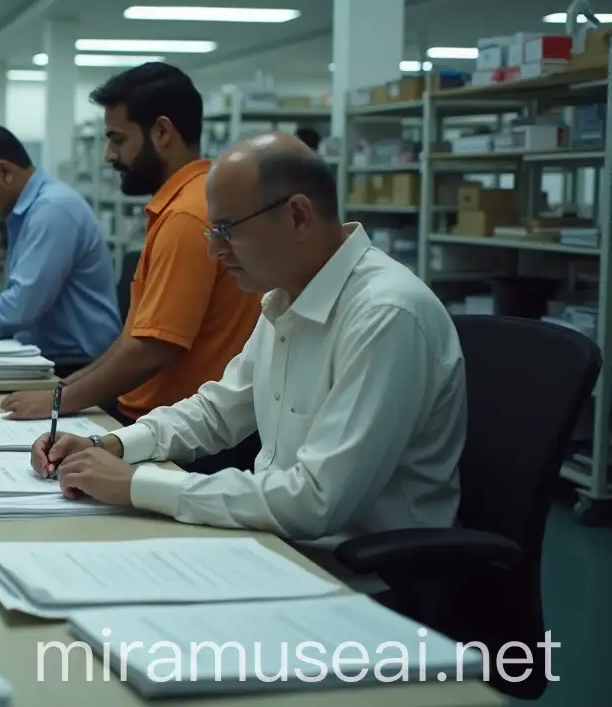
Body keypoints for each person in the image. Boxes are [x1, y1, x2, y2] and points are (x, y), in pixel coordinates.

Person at [32, 132, 466, 547]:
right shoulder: (287, 293)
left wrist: (138, 485)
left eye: (227, 230)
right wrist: (112, 445)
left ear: (299, 215)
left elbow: (315, 500)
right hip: (272, 541)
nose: (215, 252)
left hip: (353, 576)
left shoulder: (386, 315)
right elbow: (218, 411)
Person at [1, 63, 261, 449]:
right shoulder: (187, 202)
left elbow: (152, 350)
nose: (109, 155)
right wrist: (62, 390)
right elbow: (135, 338)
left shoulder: (187, 216)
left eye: (118, 140)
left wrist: (59, 402)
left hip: (179, 437)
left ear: (162, 132)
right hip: (156, 420)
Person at [0, 121, 118, 367]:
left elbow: (22, 306)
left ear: (5, 171)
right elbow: (27, 294)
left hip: (78, 365)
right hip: (54, 354)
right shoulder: (30, 211)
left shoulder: (52, 210)